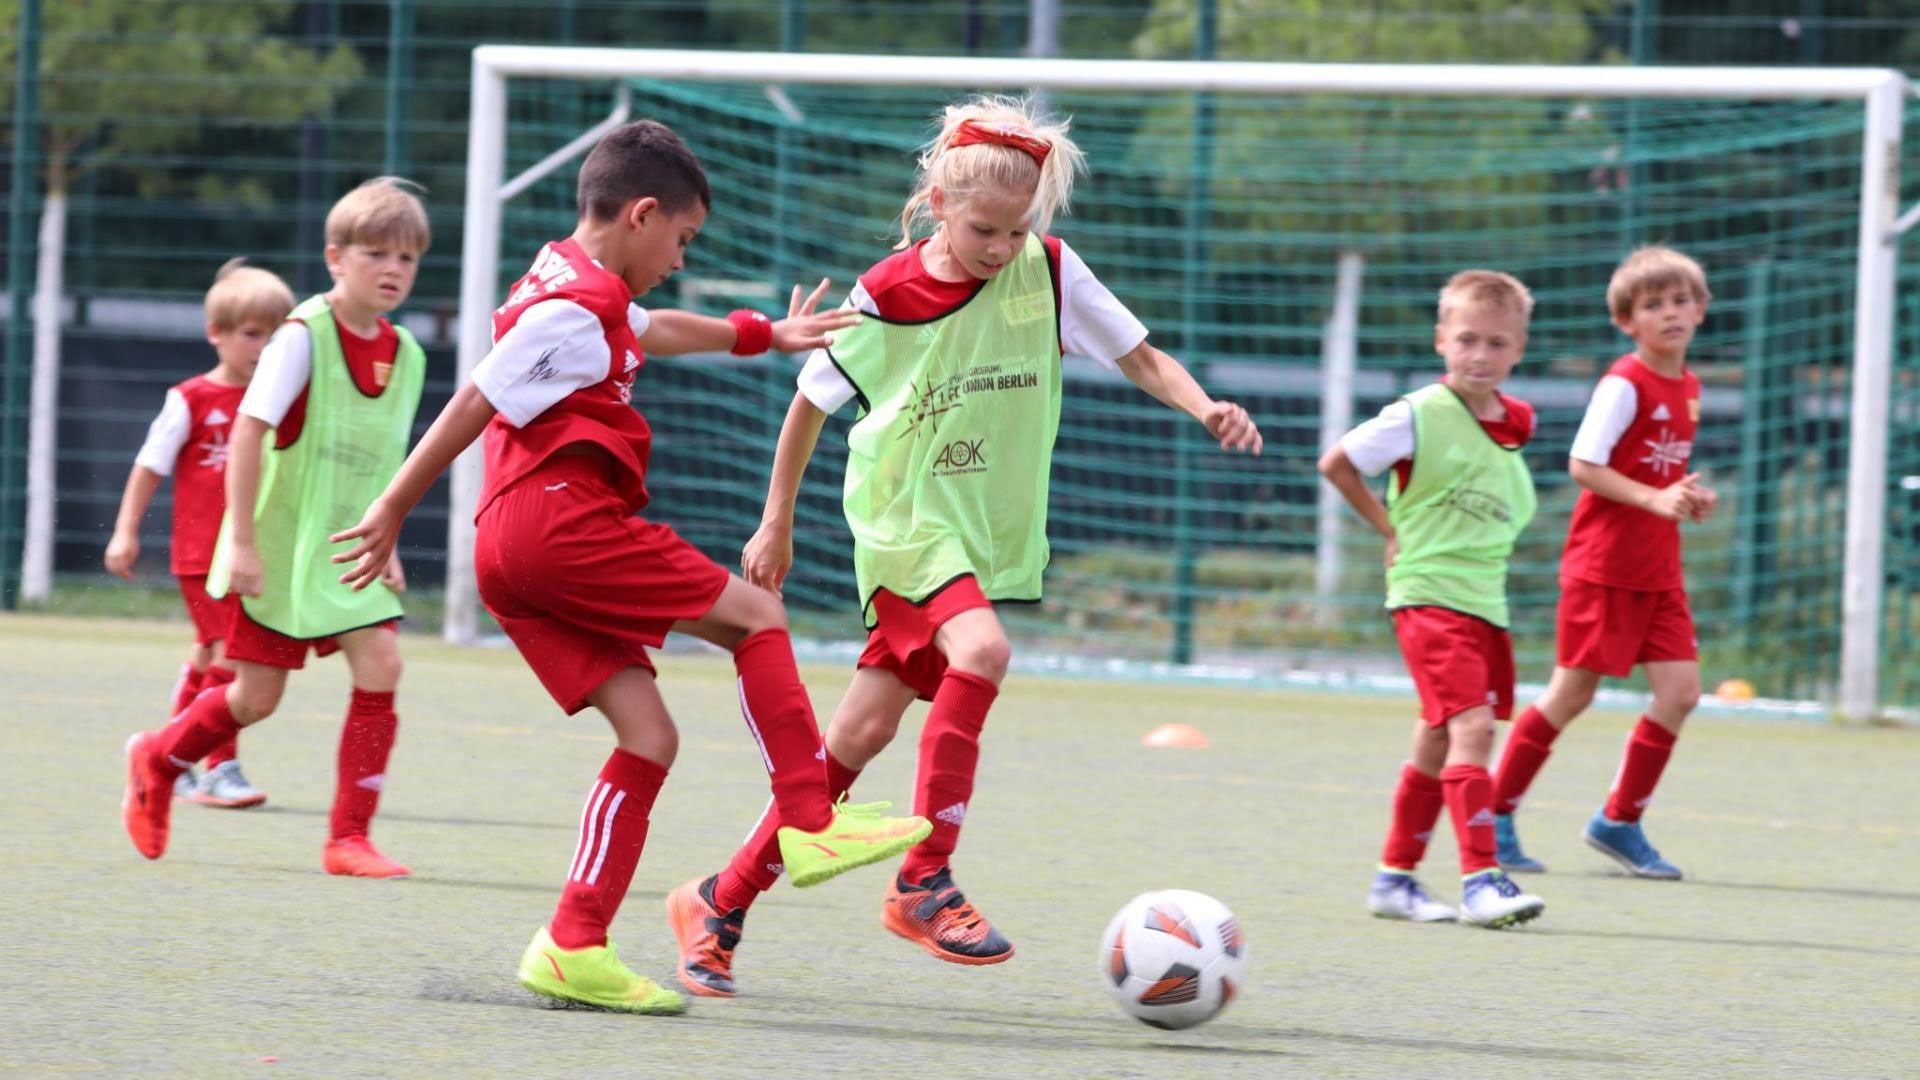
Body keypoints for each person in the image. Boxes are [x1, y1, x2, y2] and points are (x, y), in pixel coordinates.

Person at [326, 120, 932, 1016]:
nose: (682, 259)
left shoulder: (577, 282)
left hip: (515, 551)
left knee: (650, 738)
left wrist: (767, 333)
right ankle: (809, 818)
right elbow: (475, 398)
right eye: (682, 239)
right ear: (642, 214)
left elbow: (663, 328)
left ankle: (574, 943)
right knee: (758, 618)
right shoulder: (575, 307)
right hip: (559, 525)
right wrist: (391, 507)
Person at [664, 95, 1264, 998]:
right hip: (906, 523)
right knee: (984, 649)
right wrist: (775, 518)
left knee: (857, 737)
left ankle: (720, 899)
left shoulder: (1050, 272)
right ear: (939, 203)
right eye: (984, 228)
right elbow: (809, 402)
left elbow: (1141, 355)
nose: (1000, 248)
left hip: (978, 537)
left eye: (1016, 231)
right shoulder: (887, 293)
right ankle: (923, 879)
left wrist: (1203, 405)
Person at [121, 177, 431, 880]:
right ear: (335, 257)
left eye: (407, 258)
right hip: (282, 551)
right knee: (254, 699)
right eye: (375, 252)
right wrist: (241, 542)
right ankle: (159, 756)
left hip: (347, 552)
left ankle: (348, 838)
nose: (392, 269)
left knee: (384, 664)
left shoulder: (407, 353)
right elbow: (252, 432)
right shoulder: (302, 336)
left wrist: (386, 542)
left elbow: (381, 458)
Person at [1318, 269, 1547, 929]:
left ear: (1519, 350)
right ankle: (1482, 880)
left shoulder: (1516, 423)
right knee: (1473, 730)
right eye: (1467, 339)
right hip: (1426, 596)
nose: (1481, 355)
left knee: (1436, 739)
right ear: (1442, 339)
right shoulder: (1417, 414)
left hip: (1484, 604)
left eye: (1497, 344)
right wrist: (1389, 528)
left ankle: (1394, 880)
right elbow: (1337, 463)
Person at [1491, 245, 1717, 881]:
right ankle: (1494, 810)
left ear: (1700, 310)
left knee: (1682, 693)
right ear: (1627, 321)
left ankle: (1619, 821)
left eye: (1680, 301)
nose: (1669, 314)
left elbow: (1658, 475)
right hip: (1604, 567)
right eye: (1653, 305)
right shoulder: (1624, 382)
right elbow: (1584, 464)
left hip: (1658, 570)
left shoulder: (1690, 386)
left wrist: (1686, 499)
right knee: (1572, 694)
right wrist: (1653, 497)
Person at [106, 258, 294, 808]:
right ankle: (219, 767)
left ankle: (170, 753)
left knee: (211, 654)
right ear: (216, 334)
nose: (264, 346)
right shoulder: (190, 399)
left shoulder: (281, 402)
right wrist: (124, 532)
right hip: (201, 557)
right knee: (232, 659)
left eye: (275, 335)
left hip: (254, 556)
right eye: (252, 334)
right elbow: (148, 467)